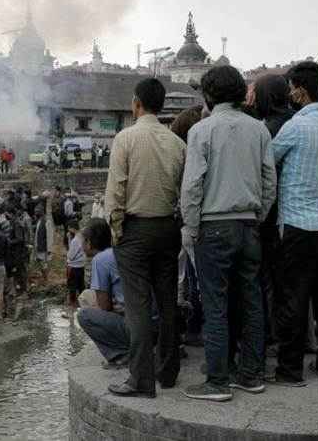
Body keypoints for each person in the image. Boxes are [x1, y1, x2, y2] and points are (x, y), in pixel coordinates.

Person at [180, 66, 276, 402]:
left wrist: (192, 228)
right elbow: (269, 182)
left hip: (213, 225)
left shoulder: (201, 131)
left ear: (208, 96)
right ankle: (250, 375)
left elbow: (192, 185)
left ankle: (217, 381)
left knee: (215, 303)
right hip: (249, 224)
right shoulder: (259, 131)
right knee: (251, 301)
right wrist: (257, 217)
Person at [105, 77, 186, 398]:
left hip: (135, 231)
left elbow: (116, 192)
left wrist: (116, 231)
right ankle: (168, 372)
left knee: (137, 307)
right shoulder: (177, 143)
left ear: (136, 104)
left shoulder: (125, 139)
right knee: (168, 301)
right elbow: (185, 190)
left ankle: (141, 380)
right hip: (168, 228)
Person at [269, 61, 318, 386]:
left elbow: (267, 159)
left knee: (293, 298)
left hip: (296, 224)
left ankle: (290, 369)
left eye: (292, 87)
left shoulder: (295, 127)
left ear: (299, 89)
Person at [251, 74, 295, 348]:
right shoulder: (295, 122)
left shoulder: (268, 129)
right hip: (294, 215)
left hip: (271, 214)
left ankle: (269, 334)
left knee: (267, 279)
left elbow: (263, 175)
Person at [77, 218, 128, 368]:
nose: (81, 246)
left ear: (90, 243)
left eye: (82, 241)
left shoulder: (100, 260)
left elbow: (105, 307)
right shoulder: (116, 252)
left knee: (84, 315)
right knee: (89, 296)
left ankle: (120, 354)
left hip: (137, 326)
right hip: (150, 320)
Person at [65, 220, 87, 315]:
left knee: (72, 286)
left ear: (71, 228)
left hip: (74, 266)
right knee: (81, 285)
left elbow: (71, 255)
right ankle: (84, 303)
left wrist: (69, 239)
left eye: (69, 228)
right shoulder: (82, 237)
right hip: (81, 264)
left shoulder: (74, 240)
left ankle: (72, 306)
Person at [34, 209, 51, 283]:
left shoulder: (46, 222)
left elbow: (49, 236)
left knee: (43, 263)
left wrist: (49, 249)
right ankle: (44, 277)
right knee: (40, 262)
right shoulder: (39, 221)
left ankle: (46, 279)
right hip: (39, 246)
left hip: (43, 247)